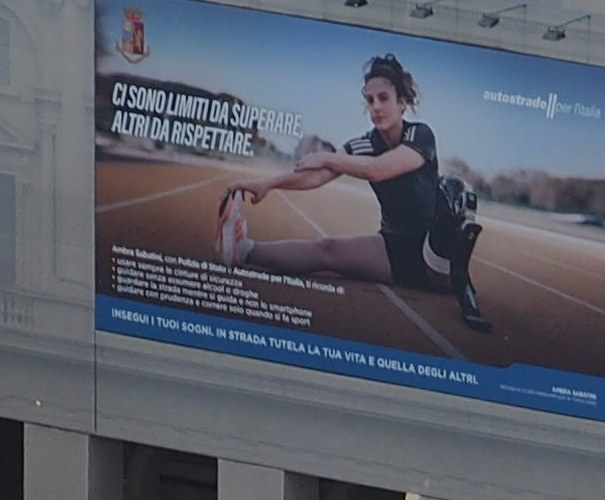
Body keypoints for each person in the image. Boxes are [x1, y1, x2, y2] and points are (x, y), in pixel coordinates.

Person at [209, 52, 489, 330]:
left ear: (402, 103)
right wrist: (267, 184)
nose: (376, 107)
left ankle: (459, 277)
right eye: (370, 100)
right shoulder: (364, 144)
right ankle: (243, 250)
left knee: (453, 186)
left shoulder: (420, 135)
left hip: (432, 255)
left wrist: (328, 157)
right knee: (326, 249)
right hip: (393, 250)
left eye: (383, 98)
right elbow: (317, 176)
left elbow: (378, 169)